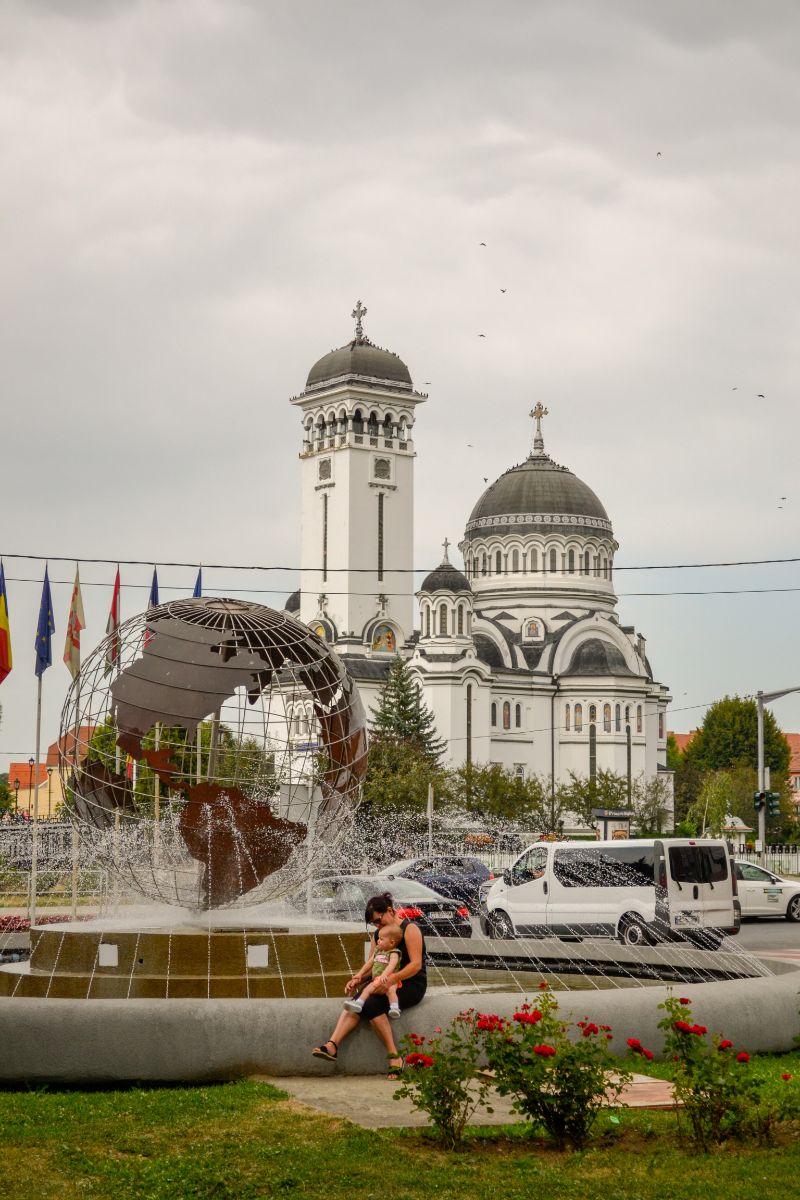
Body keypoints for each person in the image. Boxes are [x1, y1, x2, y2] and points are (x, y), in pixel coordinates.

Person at [312, 891, 427, 1078]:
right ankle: (332, 1045)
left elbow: (416, 965)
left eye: (379, 920)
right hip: (383, 981)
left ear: (390, 911)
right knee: (356, 1001)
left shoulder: (410, 929)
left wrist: (391, 979)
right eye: (374, 923)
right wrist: (358, 978)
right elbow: (374, 963)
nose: (377, 926)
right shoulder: (378, 934)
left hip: (410, 983)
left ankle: (394, 1057)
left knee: (370, 1004)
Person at [343, 921, 403, 1018]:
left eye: (381, 939)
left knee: (391, 992)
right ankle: (358, 1003)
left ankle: (395, 1008)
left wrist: (385, 975)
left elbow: (392, 965)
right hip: (377, 979)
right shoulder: (378, 951)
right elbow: (369, 963)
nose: (378, 941)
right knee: (367, 989)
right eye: (378, 938)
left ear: (392, 942)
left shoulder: (394, 953)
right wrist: (360, 974)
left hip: (390, 978)